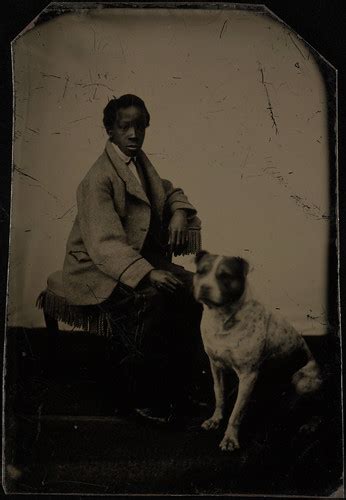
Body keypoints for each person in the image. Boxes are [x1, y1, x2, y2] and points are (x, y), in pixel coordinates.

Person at [62, 94, 204, 421]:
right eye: (125, 126)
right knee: (152, 299)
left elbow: (168, 191)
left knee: (196, 290)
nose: (133, 134)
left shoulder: (139, 163)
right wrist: (147, 272)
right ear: (109, 130)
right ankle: (140, 397)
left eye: (140, 126)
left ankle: (181, 389)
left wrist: (179, 212)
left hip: (133, 259)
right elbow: (104, 243)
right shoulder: (98, 178)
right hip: (96, 267)